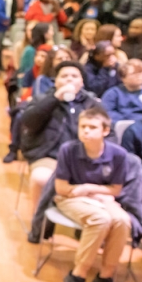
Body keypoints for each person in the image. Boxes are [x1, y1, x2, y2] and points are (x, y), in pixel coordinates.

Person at [55, 105, 129, 282]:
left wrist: (89, 188)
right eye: (82, 126)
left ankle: (105, 277)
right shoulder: (68, 150)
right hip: (71, 198)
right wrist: (88, 192)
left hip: (101, 197)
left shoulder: (119, 154)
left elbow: (115, 189)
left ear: (105, 131)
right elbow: (61, 188)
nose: (86, 131)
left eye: (92, 127)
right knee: (101, 219)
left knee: (123, 220)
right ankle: (77, 275)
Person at [21, 61, 99, 218]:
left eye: (74, 76)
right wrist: (55, 98)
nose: (69, 79)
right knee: (41, 178)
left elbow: (106, 132)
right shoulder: (42, 99)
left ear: (81, 81)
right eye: (64, 76)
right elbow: (28, 122)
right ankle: (39, 220)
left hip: (82, 159)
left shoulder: (92, 104)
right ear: (55, 81)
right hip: (48, 156)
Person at [102, 59, 142, 126]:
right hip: (120, 126)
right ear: (123, 77)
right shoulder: (112, 94)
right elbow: (106, 113)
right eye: (134, 73)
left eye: (141, 72)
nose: (139, 76)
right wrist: (127, 121)